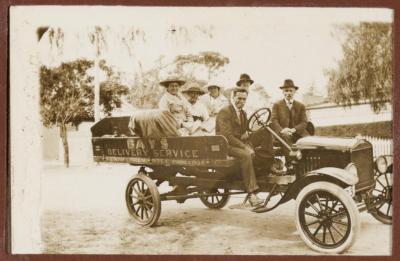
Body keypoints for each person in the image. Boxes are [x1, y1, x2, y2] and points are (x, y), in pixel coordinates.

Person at [216, 88, 273, 207]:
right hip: (225, 145)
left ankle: (269, 164)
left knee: (266, 132)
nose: (241, 101)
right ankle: (252, 193)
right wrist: (245, 147)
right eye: (239, 98)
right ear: (233, 97)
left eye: (244, 99)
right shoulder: (225, 111)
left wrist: (249, 141)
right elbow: (227, 136)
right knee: (246, 155)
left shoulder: (243, 113)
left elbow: (245, 132)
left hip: (237, 141)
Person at [271, 79, 309, 148]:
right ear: (283, 92)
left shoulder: (301, 106)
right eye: (286, 90)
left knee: (309, 142)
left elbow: (304, 122)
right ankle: (291, 158)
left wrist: (293, 130)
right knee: (286, 138)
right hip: (282, 134)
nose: (289, 93)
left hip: (298, 133)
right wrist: (282, 130)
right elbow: (274, 120)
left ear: (294, 92)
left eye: (291, 91)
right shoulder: (276, 105)